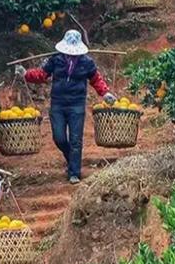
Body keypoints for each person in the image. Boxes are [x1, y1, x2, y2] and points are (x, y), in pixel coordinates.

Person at [17, 31, 118, 184]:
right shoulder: (56, 60)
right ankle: (71, 159)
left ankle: (74, 173)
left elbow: (96, 79)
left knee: (76, 140)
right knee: (59, 138)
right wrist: (26, 74)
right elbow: (42, 74)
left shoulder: (86, 62)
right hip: (58, 104)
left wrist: (105, 93)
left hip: (77, 104)